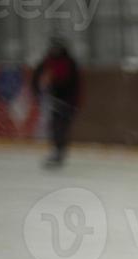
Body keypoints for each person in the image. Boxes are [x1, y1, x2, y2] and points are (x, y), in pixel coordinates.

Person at [33, 37, 81, 168]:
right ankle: (57, 150)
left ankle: (59, 151)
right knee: (56, 126)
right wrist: (39, 89)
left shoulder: (68, 62)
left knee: (60, 126)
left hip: (66, 101)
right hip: (54, 100)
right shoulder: (48, 61)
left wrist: (53, 83)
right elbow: (37, 77)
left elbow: (71, 83)